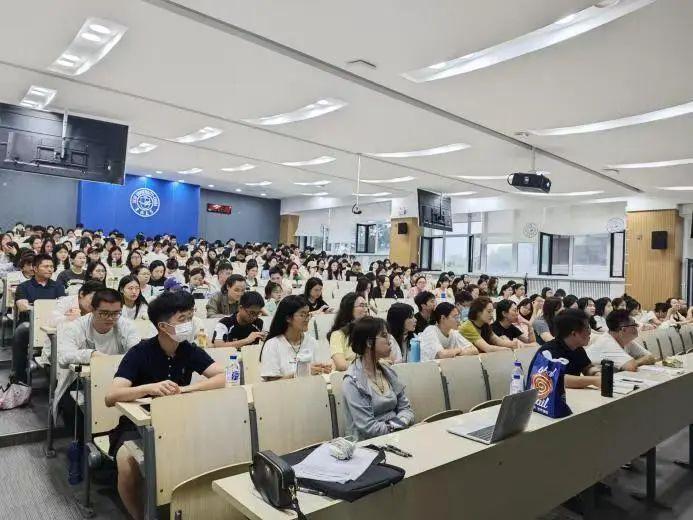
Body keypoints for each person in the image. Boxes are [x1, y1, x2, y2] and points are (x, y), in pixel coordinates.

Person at [105, 290, 225, 520]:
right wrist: (149, 388)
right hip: (137, 424)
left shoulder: (188, 349)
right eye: (182, 319)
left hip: (178, 419)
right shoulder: (139, 352)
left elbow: (221, 377)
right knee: (127, 465)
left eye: (190, 317)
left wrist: (184, 390)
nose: (189, 324)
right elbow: (111, 397)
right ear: (162, 326)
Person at [55, 288, 141, 441]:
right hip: (80, 381)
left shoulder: (126, 325)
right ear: (93, 310)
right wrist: (91, 354)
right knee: (73, 408)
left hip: (119, 379)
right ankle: (83, 447)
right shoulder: (76, 326)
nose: (110, 318)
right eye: (104, 313)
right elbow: (63, 357)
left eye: (116, 313)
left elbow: (136, 353)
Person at [342, 316, 415, 441]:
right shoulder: (352, 381)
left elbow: (407, 410)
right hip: (368, 445)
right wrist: (400, 424)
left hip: (397, 437)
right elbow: (368, 428)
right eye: (384, 336)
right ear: (369, 343)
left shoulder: (388, 371)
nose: (390, 340)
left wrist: (398, 425)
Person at [12, 254, 66, 383]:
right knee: (21, 330)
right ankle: (19, 376)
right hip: (30, 322)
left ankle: (60, 376)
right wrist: (41, 308)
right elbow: (22, 306)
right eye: (46, 266)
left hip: (53, 323)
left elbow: (63, 305)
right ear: (35, 269)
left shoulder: (58, 286)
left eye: (51, 266)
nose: (50, 269)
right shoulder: (24, 286)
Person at [260, 295, 332, 380]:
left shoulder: (311, 342)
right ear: (288, 318)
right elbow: (272, 384)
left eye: (308, 314)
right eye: (302, 315)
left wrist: (323, 369)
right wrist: (303, 373)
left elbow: (319, 374)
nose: (307, 319)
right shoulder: (272, 345)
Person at [528, 308, 601, 389]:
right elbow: (558, 379)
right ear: (574, 333)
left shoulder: (577, 348)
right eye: (587, 328)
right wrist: (593, 381)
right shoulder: (548, 352)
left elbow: (587, 368)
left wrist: (597, 374)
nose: (590, 332)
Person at [585, 309, 655, 372]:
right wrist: (636, 362)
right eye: (634, 324)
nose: (637, 326)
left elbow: (651, 357)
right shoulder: (607, 343)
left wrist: (635, 362)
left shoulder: (626, 341)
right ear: (624, 329)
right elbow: (631, 367)